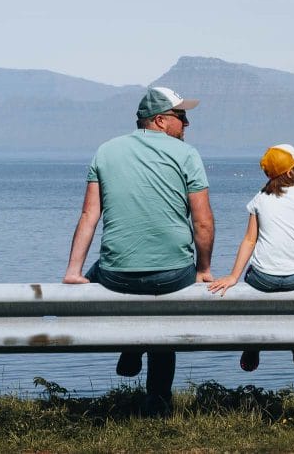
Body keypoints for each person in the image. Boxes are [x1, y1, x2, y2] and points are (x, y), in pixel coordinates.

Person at [63, 86, 214, 416]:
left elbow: (89, 215)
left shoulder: (105, 151)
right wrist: (203, 269)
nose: (186, 123)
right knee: (164, 320)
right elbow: (202, 222)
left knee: (104, 271)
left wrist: (73, 271)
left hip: (118, 276)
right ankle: (158, 401)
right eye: (181, 116)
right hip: (173, 274)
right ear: (160, 120)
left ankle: (132, 346)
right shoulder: (187, 155)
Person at [208, 143, 294, 371]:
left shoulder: (260, 198)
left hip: (263, 279)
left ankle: (253, 345)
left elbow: (249, 240)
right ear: (291, 172)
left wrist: (233, 277)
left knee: (255, 281)